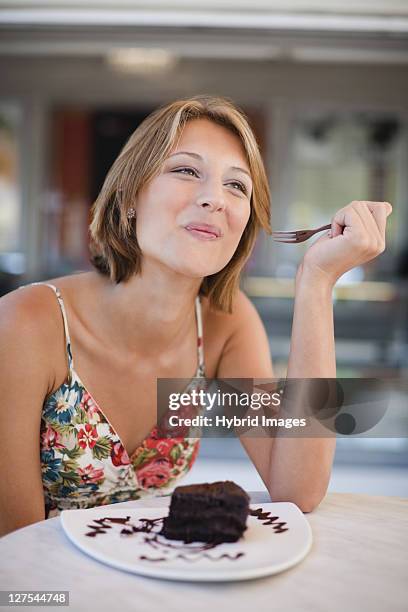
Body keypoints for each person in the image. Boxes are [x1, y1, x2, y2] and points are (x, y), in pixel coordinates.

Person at [0, 95, 392, 537]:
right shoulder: (26, 321)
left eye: (236, 186)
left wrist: (317, 280)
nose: (214, 199)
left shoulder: (226, 324)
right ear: (130, 195)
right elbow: (13, 547)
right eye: (186, 170)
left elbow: (297, 488)